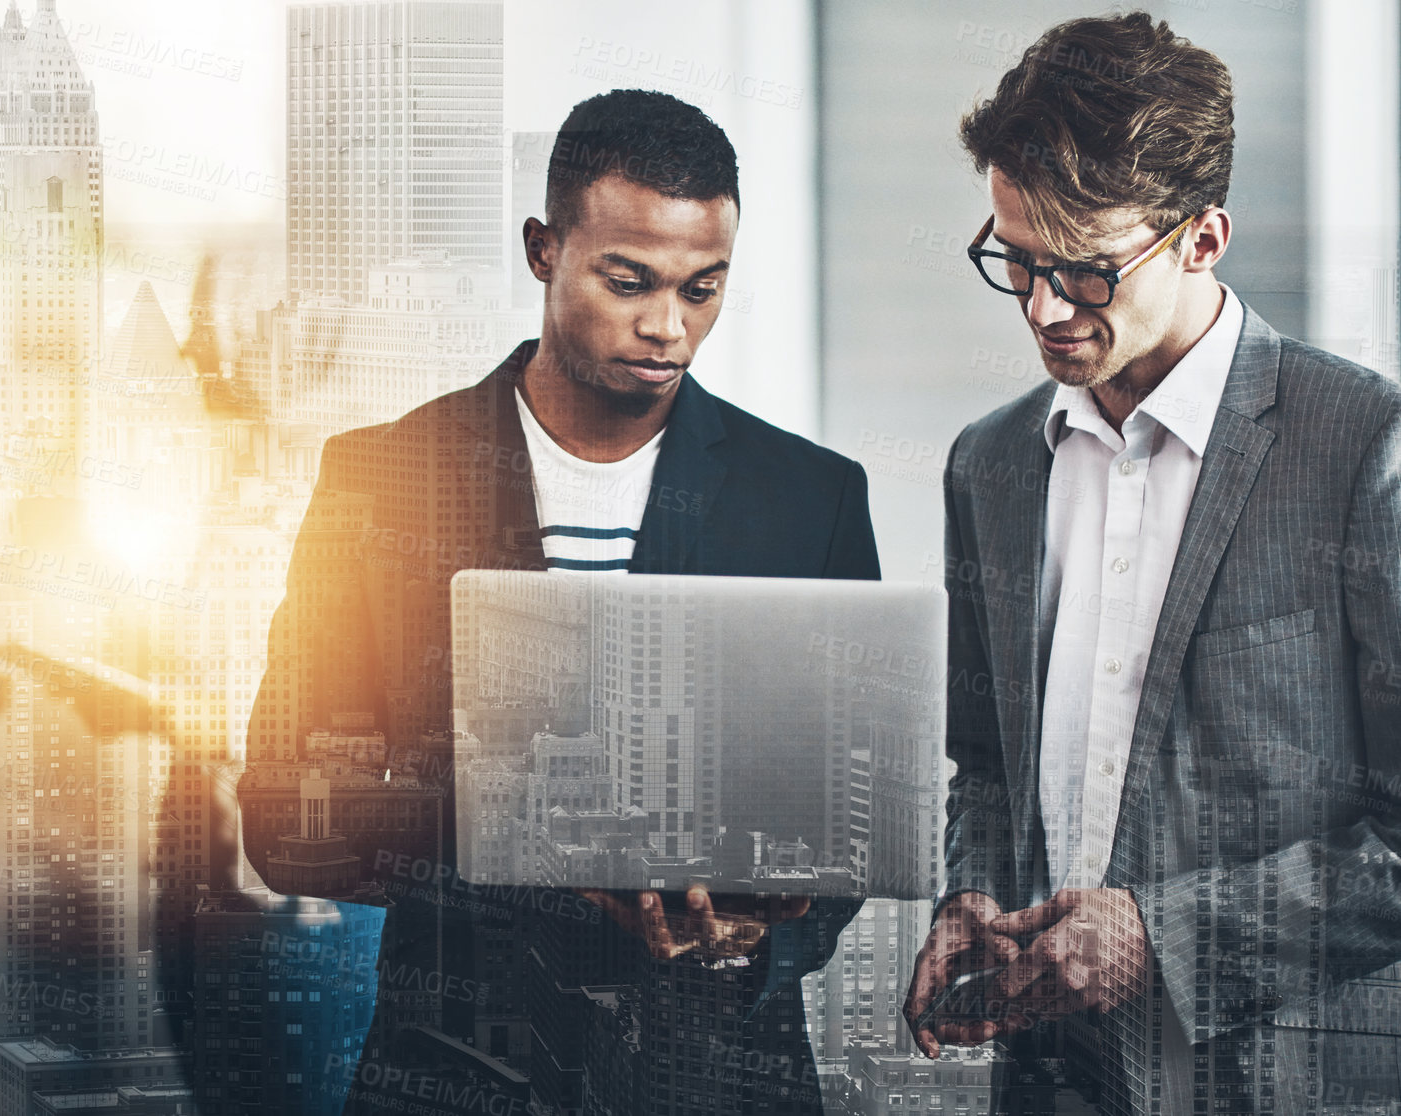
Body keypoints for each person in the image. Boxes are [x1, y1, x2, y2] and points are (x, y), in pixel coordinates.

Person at [233, 89, 880, 1115]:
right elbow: (284, 815)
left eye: (702, 290)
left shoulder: (807, 498)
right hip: (456, 1069)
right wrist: (537, 831)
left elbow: (851, 827)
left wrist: (755, 936)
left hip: (716, 1074)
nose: (667, 328)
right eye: (627, 283)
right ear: (543, 250)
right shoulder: (379, 482)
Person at [903, 13, 1401, 1115]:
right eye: (1014, 260)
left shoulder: (1363, 447)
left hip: (1280, 1080)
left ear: (1201, 239)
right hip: (1047, 1081)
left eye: (1081, 272)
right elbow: (983, 766)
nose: (1041, 310)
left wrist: (1157, 940)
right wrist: (968, 892)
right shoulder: (986, 465)